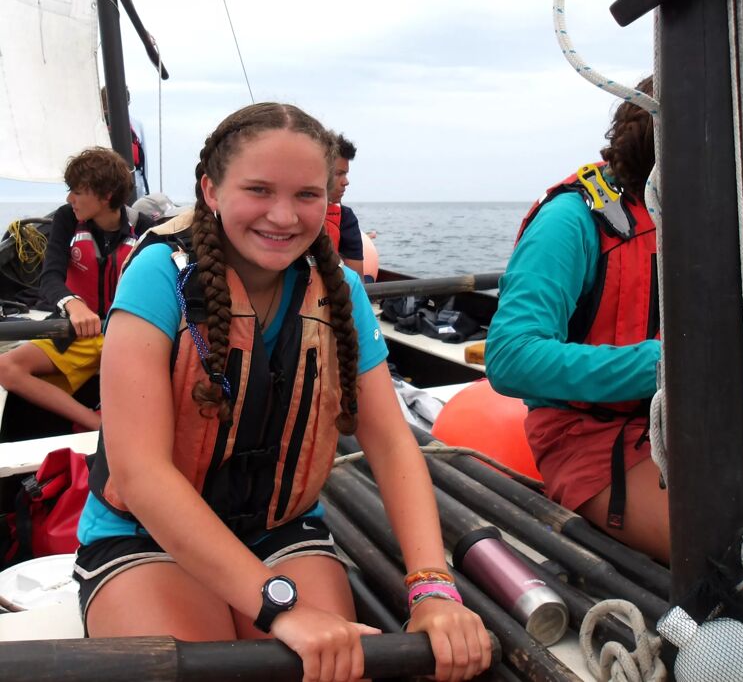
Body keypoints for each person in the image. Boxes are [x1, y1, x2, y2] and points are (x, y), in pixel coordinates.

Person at [73, 103, 491, 681]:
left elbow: (393, 444)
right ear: (211, 190)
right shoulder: (158, 276)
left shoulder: (338, 290)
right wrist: (280, 607)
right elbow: (141, 475)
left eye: (306, 195)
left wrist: (433, 588)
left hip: (278, 530)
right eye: (259, 189)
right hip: (147, 538)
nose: (283, 215)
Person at [485, 77, 743, 638]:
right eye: (733, 146)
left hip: (714, 423)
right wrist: (674, 366)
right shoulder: (572, 220)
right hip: (592, 436)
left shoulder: (732, 218)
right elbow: (511, 356)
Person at [0, 147, 153, 433]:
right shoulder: (66, 219)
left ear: (106, 195)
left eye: (77, 191)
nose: (70, 198)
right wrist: (75, 305)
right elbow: (50, 279)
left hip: (123, 335)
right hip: (79, 333)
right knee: (6, 367)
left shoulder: (144, 229)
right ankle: (94, 423)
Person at [324, 133, 365, 278]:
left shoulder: (345, 218)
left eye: (345, 174)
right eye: (339, 174)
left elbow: (356, 281)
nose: (346, 181)